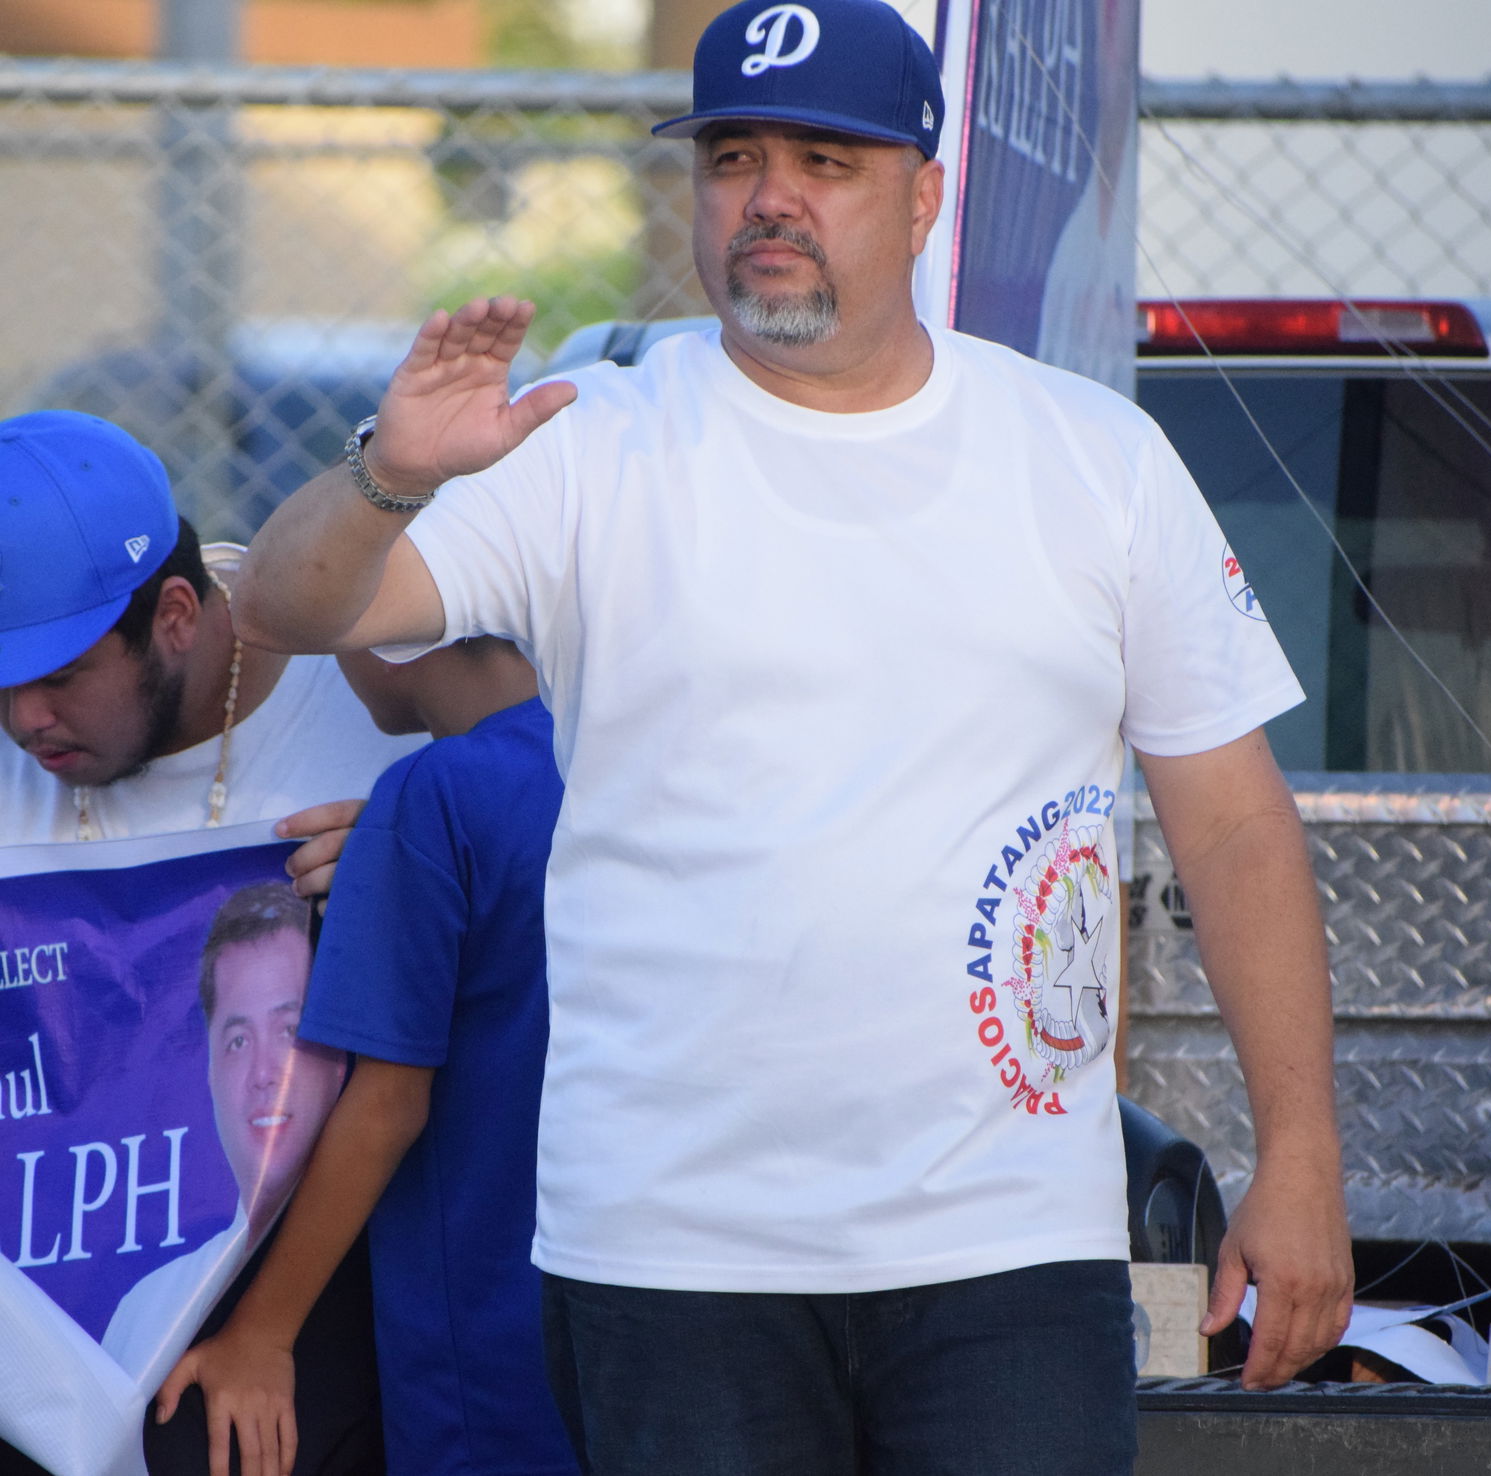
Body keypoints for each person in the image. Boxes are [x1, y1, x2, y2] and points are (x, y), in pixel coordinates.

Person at [233, 1, 1354, 1470]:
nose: (768, 196)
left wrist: (1302, 1158)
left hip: (1009, 1248)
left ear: (924, 198)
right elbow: (295, 605)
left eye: (826, 160)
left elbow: (1234, 824)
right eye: (733, 158)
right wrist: (389, 475)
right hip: (671, 1253)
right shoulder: (590, 443)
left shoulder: (1095, 460)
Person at [0, 408, 423, 1474]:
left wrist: (416, 859)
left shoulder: (363, 715)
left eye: (59, 676)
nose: (25, 719)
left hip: (302, 1269)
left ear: (177, 615)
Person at [155, 638, 577, 1476]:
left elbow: (387, 1104)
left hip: (485, 1358)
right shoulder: (624, 752)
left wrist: (262, 1332)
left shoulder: (430, 795)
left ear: (391, 631)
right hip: (654, 1310)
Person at [101, 884, 346, 1390]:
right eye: (237, 1041)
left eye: (290, 1030)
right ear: (209, 1072)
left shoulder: (402, 1281)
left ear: (341, 1058)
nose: (264, 1074)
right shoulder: (144, 1311)